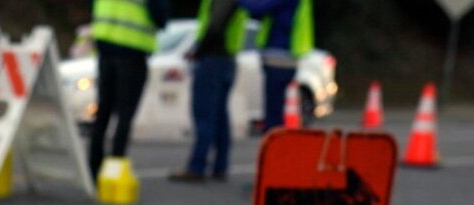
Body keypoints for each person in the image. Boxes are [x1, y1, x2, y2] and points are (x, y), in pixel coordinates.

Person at [87, 0, 172, 179]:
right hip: (133, 52)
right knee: (125, 115)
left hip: (106, 49)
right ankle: (114, 170)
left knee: (103, 111)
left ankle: (93, 168)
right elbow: (160, 16)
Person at [170, 0, 250, 181]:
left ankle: (197, 166)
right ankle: (220, 166)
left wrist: (198, 51)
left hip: (213, 59)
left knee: (205, 113)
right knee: (220, 115)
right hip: (226, 58)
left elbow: (215, 26)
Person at [242, 0, 312, 136]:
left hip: (278, 58)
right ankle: (276, 140)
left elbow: (257, 8)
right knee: (277, 108)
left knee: (273, 111)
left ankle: (273, 143)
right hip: (289, 57)